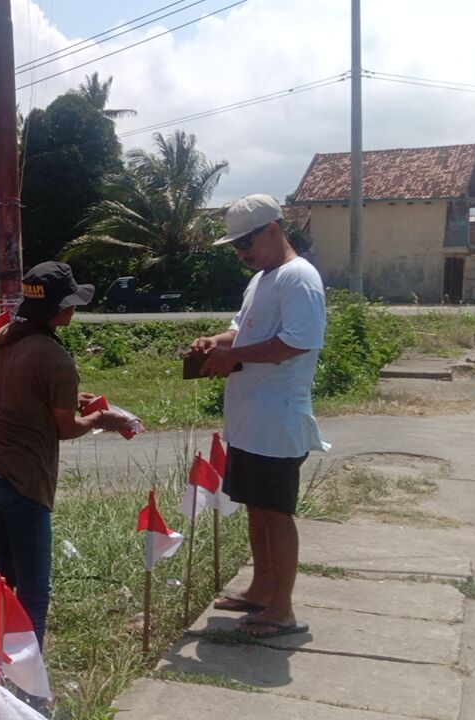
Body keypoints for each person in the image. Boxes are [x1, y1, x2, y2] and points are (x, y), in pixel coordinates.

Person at [0, 261, 136, 648]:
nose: (74, 309)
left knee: (3, 572)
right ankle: (28, 684)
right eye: (72, 302)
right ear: (59, 309)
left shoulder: (7, 336)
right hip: (21, 480)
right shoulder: (56, 358)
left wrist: (73, 400)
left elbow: (23, 392)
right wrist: (103, 419)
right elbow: (65, 428)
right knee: (34, 588)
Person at [190, 194, 328, 639]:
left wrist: (233, 357)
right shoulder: (263, 279)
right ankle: (261, 589)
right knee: (256, 507)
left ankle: (282, 609)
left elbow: (296, 342)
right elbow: (242, 326)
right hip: (251, 418)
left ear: (273, 229)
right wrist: (217, 341)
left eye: (246, 242)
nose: (241, 253)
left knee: (275, 512)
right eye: (235, 246)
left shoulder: (298, 278)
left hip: (277, 418)